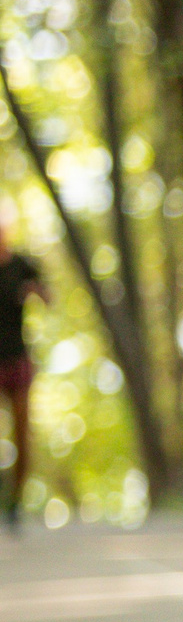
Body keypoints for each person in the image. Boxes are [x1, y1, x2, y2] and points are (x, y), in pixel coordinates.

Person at [0, 218, 47, 535]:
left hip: (16, 356)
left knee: (22, 432)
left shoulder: (22, 264)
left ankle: (16, 502)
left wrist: (34, 290)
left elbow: (49, 298)